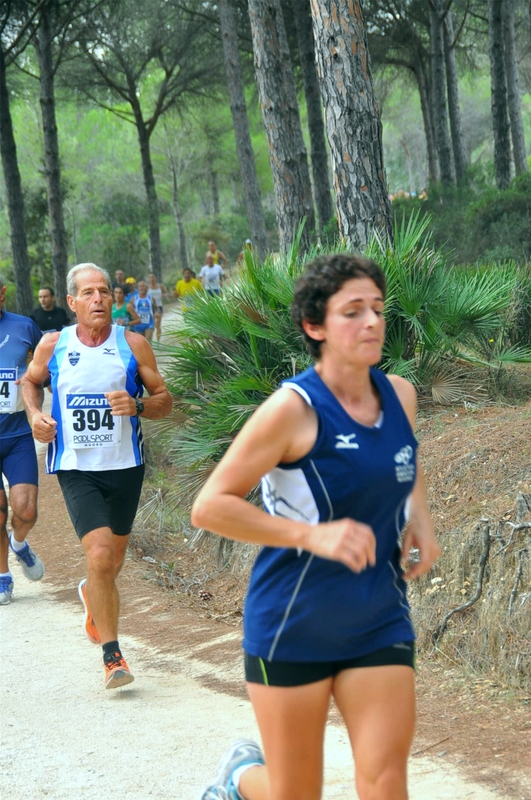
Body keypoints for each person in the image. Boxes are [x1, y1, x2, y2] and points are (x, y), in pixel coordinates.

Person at [192, 254, 441, 800]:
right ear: (315, 326)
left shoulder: (399, 395)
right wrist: (313, 535)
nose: (372, 321)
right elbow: (209, 505)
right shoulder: (293, 410)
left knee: (385, 783)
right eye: (353, 311)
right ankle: (238, 781)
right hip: (292, 621)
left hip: (378, 616)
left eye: (377, 308)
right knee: (294, 792)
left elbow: (403, 455)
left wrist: (418, 514)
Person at [22, 263, 172, 689]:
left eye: (103, 291)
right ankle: (113, 657)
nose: (98, 299)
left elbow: (165, 400)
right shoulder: (53, 345)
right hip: (75, 467)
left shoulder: (133, 344)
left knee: (111, 564)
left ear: (112, 297)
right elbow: (30, 383)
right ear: (72, 302)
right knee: (102, 555)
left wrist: (138, 406)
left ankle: (93, 593)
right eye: (87, 293)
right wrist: (35, 415)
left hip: (126, 465)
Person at [0, 275, 45, 605]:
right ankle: (3, 576)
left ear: (2, 292)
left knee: (26, 511)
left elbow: (46, 369)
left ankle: (19, 543)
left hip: (17, 435)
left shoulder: (25, 327)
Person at [147, 272, 168, 341]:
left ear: (155, 278)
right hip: (150, 307)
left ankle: (158, 341)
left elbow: (165, 292)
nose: (152, 279)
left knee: (158, 325)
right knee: (151, 325)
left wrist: (164, 295)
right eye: (150, 277)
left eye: (153, 277)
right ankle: (150, 340)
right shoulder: (147, 287)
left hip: (159, 306)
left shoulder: (160, 286)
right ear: (149, 279)